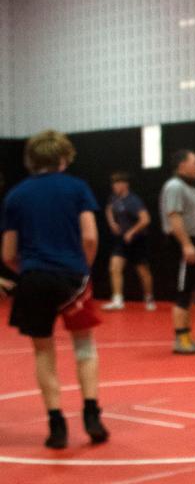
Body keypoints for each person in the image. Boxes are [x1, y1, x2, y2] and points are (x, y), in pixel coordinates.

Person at [1, 130, 109, 448]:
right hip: (72, 277)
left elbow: (8, 253)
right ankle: (91, 413)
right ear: (63, 158)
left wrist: (31, 270)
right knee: (84, 347)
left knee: (43, 350)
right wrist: (82, 269)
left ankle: (56, 424)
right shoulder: (77, 188)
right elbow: (90, 237)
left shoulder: (16, 196)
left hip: (34, 277)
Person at [159, 150, 195, 355]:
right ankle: (180, 339)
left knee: (192, 292)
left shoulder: (191, 188)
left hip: (194, 242)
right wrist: (186, 245)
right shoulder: (174, 187)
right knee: (183, 293)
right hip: (182, 244)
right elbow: (174, 217)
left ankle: (188, 336)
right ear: (182, 165)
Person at [103, 171, 155, 311]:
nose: (114, 186)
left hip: (138, 240)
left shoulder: (133, 201)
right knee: (114, 268)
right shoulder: (114, 198)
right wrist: (112, 223)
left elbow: (146, 219)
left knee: (143, 271)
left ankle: (149, 298)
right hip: (121, 241)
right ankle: (117, 300)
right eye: (113, 183)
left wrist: (132, 232)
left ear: (125, 185)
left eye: (117, 183)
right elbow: (108, 209)